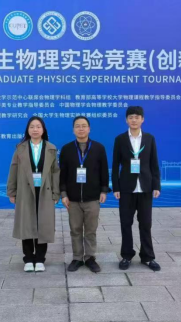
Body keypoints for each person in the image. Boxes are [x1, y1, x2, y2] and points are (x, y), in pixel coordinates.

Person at [7, 117, 60, 273]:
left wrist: (56, 192)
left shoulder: (51, 148)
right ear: (28, 130)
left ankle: (40, 259)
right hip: (25, 191)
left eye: (38, 126)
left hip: (45, 191)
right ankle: (29, 258)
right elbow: (13, 170)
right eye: (32, 127)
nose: (35, 129)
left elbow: (55, 172)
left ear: (43, 130)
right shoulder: (20, 148)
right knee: (26, 224)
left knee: (43, 225)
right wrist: (12, 191)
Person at [112, 106, 162, 272]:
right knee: (126, 223)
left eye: (137, 117)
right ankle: (126, 255)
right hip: (126, 188)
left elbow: (154, 163)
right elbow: (115, 164)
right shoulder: (120, 139)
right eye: (131, 117)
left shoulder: (149, 138)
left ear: (142, 119)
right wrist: (116, 187)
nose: (134, 120)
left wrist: (156, 185)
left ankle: (147, 257)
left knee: (146, 224)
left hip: (145, 187)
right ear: (126, 120)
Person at [60, 116, 110, 273]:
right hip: (73, 199)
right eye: (77, 126)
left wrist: (104, 190)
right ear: (73, 130)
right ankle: (77, 258)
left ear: (89, 129)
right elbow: (62, 174)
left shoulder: (99, 148)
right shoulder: (67, 149)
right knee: (75, 229)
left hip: (92, 197)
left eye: (84, 126)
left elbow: (104, 171)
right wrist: (63, 194)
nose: (81, 129)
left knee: (90, 230)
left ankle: (90, 258)